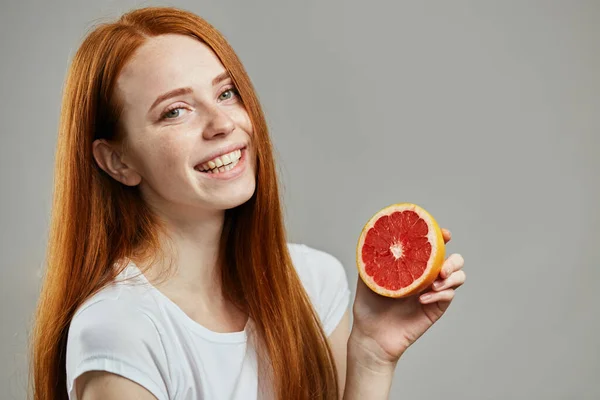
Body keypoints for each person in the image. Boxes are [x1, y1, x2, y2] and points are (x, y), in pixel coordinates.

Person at [29, 6, 466, 400]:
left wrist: (371, 355)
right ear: (118, 161)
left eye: (226, 93)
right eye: (175, 111)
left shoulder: (314, 283)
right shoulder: (121, 331)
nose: (222, 123)